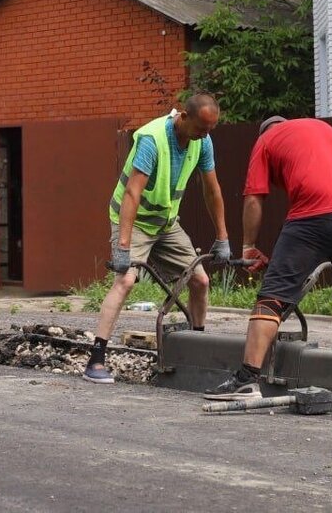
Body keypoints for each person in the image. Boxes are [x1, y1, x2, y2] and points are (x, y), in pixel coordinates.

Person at [204, 116, 332, 400]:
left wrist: (249, 246)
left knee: (272, 296)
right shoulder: (320, 128)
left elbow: (254, 197)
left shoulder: (266, 141)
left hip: (314, 213)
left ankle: (246, 380)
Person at [84, 93, 233, 384]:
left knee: (200, 280)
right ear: (184, 117)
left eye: (210, 130)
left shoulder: (202, 142)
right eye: (202, 128)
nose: (205, 135)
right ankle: (96, 359)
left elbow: (212, 190)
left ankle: (196, 351)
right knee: (125, 280)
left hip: (166, 224)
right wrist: (124, 246)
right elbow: (132, 193)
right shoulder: (152, 139)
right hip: (134, 220)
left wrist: (223, 237)